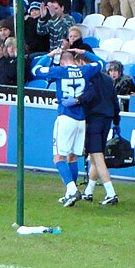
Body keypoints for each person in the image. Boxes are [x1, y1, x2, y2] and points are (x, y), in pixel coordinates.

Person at [30, 47, 104, 207]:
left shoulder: (59, 71)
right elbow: (101, 63)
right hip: (80, 119)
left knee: (58, 157)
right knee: (72, 157)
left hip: (65, 117)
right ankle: (68, 194)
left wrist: (48, 55)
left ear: (62, 61)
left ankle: (72, 189)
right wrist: (84, 53)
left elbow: (35, 70)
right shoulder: (85, 69)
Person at [81, 63, 122, 205]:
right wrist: (116, 122)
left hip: (94, 120)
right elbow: (115, 102)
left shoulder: (87, 79)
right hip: (107, 119)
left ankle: (111, 193)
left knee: (98, 156)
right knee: (94, 156)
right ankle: (88, 192)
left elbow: (86, 99)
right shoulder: (107, 79)